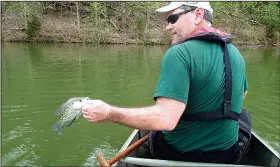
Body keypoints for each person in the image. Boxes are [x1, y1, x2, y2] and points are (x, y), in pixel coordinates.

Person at [82, 2, 251, 164]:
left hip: (180, 155)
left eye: (172, 19)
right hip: (228, 153)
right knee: (242, 115)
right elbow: (241, 94)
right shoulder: (235, 53)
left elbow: (166, 120)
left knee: (157, 125)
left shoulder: (179, 53)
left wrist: (109, 113)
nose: (168, 26)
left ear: (198, 14)